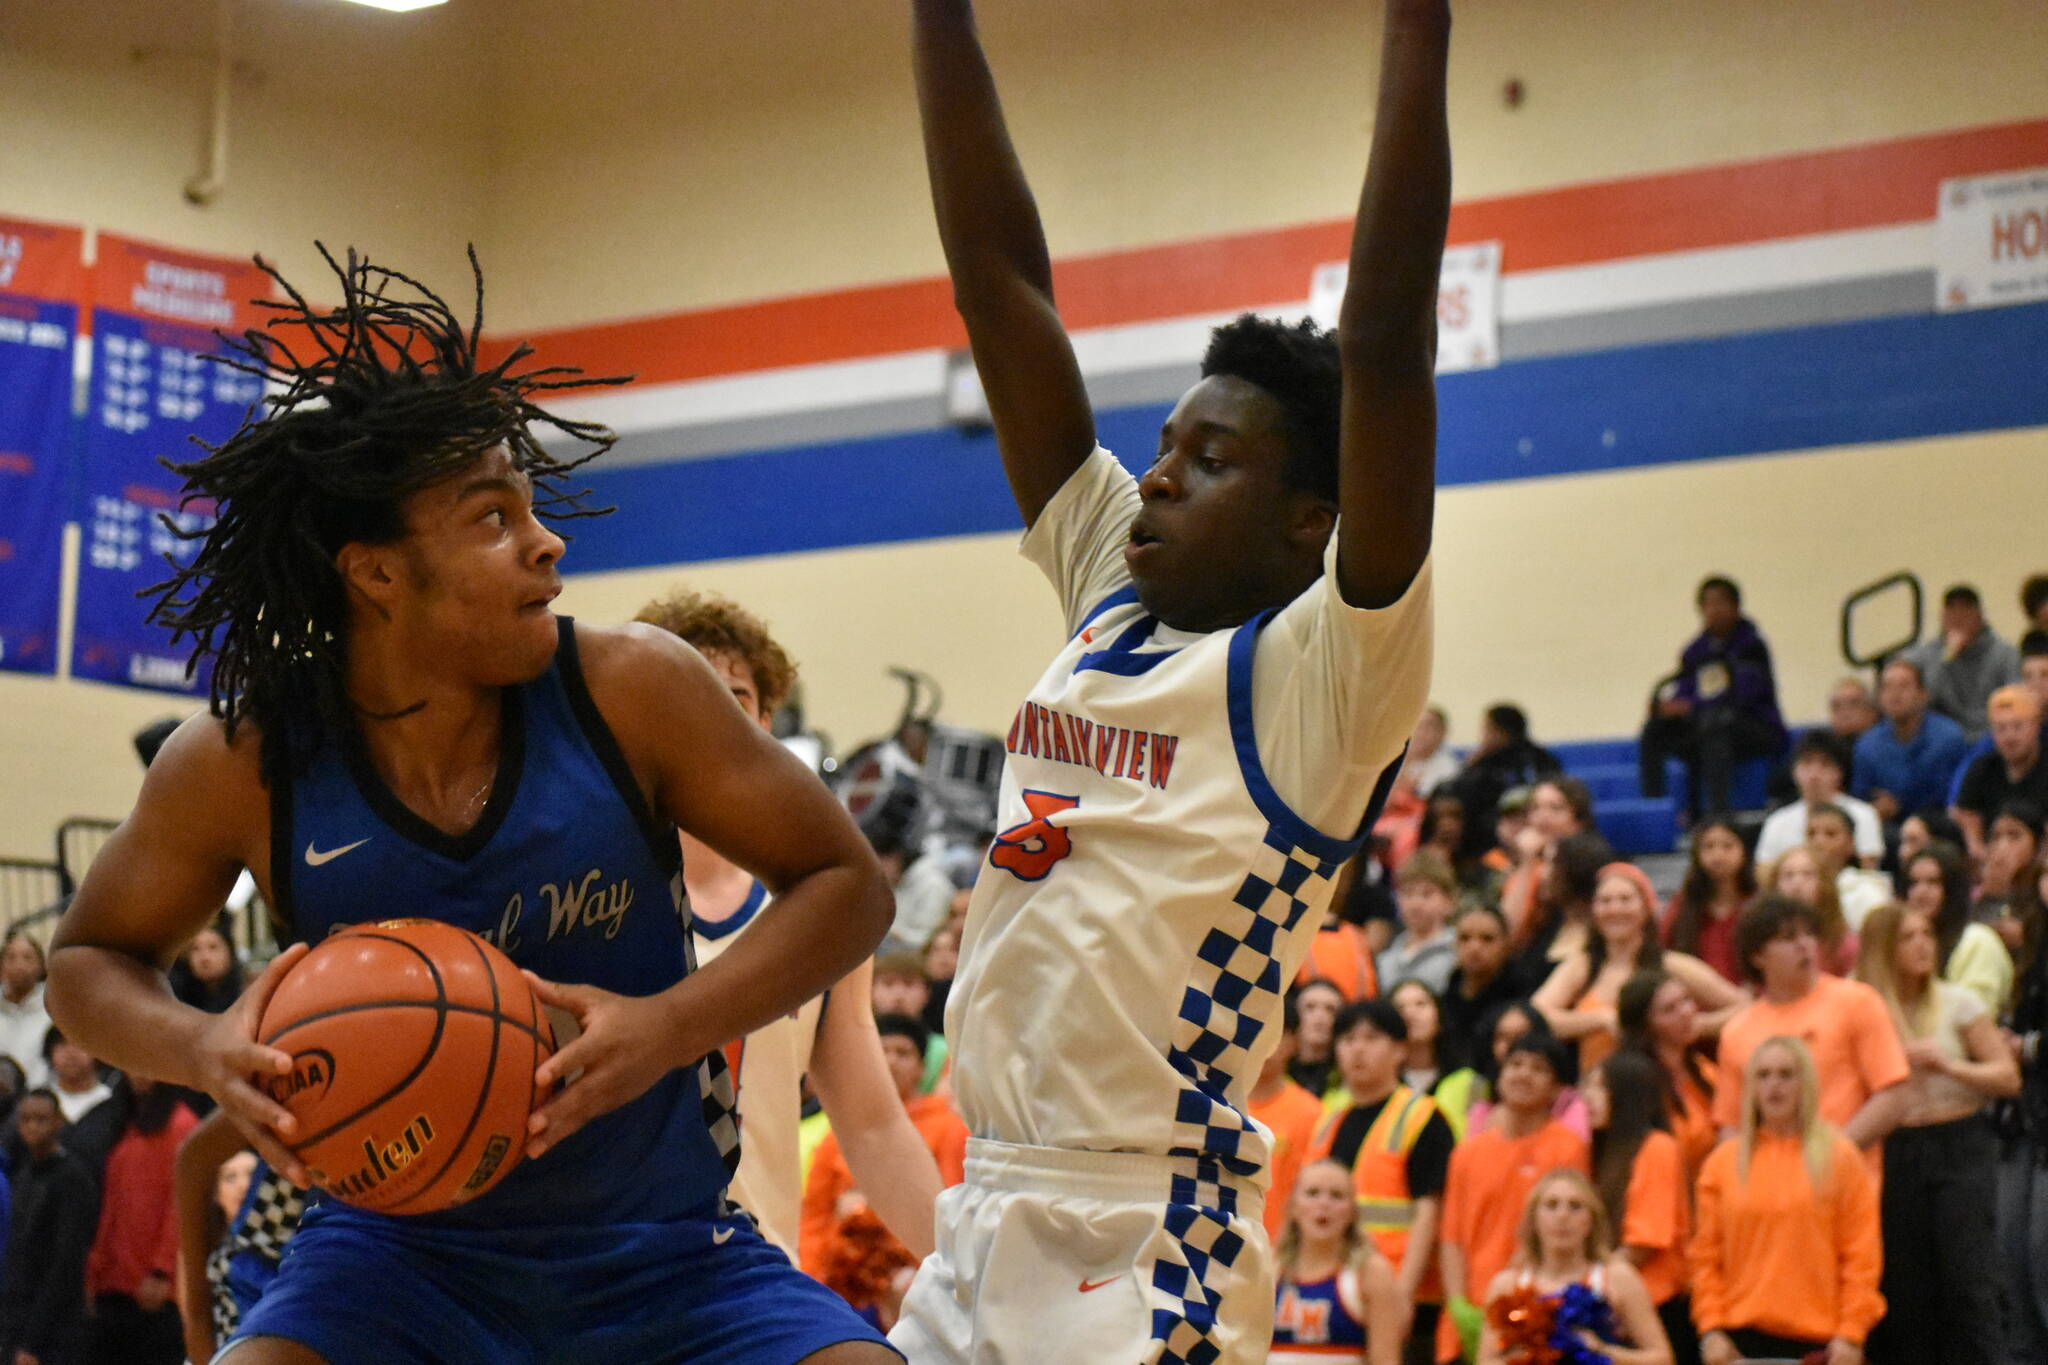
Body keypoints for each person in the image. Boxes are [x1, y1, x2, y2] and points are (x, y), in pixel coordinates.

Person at [41, 250, 900, 1365]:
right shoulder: (245, 760)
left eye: (529, 507)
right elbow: (86, 963)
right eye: (493, 518)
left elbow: (848, 888)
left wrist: (668, 1028)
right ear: (377, 574)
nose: (547, 542)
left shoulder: (632, 688)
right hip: (391, 1265)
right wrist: (202, 1045)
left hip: (665, 1255)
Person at [894, 1, 1446, 1359]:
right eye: (1163, 447)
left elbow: (1383, 341)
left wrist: (1418, 24)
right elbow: (997, 284)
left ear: (1310, 521)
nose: (1155, 481)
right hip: (983, 1203)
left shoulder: (1326, 678)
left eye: (1211, 462)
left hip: (1146, 1234)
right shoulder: (1107, 584)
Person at [635, 586, 947, 1261]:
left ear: (765, 722)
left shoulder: (822, 905)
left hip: (754, 1277)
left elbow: (872, 1125)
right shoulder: (584, 889)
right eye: (683, 689)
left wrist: (966, 1275)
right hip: (611, 1281)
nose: (708, 714)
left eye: (734, 696)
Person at [1854, 903, 2016, 1365]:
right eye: (1907, 937)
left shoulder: (1958, 1002)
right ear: (1884, 948)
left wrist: (1949, 1065)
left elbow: (2008, 1077)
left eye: (1926, 934)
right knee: (1905, 1283)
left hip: (1958, 1140)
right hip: (1894, 1145)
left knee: (1968, 1277)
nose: (1922, 945)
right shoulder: (1864, 1008)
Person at [1690, 1037, 1884, 1365]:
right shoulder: (1722, 1164)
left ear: (1805, 1084)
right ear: (1751, 1088)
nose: (1774, 1085)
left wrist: (1852, 1333)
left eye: (1786, 1074)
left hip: (1821, 1346)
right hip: (1739, 1345)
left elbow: (1861, 1256)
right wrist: (1711, 1330)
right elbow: (1704, 1258)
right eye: (1763, 1075)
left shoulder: (1841, 1158)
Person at [1713, 899, 1909, 1174]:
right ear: (1757, 956)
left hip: (1844, 1179)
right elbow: (1731, 1124)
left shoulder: (1857, 1002)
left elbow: (1893, 1093)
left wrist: (1831, 1157)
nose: (1804, 945)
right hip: (1770, 1183)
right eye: (1788, 938)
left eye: (1808, 934)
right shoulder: (1737, 1031)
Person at [800, 1015, 968, 1331]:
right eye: (882, 1051)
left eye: (903, 1053)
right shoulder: (836, 1135)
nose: (891, 1061)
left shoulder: (949, 1129)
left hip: (913, 1279)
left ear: (922, 1069)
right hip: (842, 1281)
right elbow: (815, 1216)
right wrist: (811, 1288)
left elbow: (952, 1206)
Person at [1439, 1034, 1592, 1363]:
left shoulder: (1568, 1148)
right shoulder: (1467, 1153)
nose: (1523, 1074)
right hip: (1469, 1308)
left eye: (1538, 1068)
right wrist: (1456, 1304)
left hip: (1536, 1312)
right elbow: (1451, 1237)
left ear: (1556, 1088)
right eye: (1515, 1064)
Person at [1532, 863, 1741, 1076]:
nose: (1615, 909)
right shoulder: (1583, 965)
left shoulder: (1672, 965)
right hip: (1598, 1087)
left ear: (1646, 907)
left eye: (1625, 899)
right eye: (1605, 901)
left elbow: (1744, 1007)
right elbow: (1535, 1017)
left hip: (1666, 1084)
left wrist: (1697, 1026)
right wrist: (1601, 1019)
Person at [1477, 1170, 1672, 1365]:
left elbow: (1662, 1359)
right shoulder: (1507, 1286)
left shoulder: (1617, 1278)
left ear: (1591, 1220)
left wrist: (1602, 1351)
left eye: (1575, 1206)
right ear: (1534, 1219)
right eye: (1551, 1205)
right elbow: (1485, 1360)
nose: (1562, 1216)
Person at [1638, 575, 1788, 820]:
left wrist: (1692, 707)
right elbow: (1685, 688)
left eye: (1721, 602)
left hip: (1754, 727)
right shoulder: (1695, 651)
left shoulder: (1752, 646)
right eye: (1708, 604)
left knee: (1715, 722)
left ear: (1736, 607)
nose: (1714, 609)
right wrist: (1669, 708)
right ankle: (1654, 810)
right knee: (1655, 729)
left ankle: (1717, 816)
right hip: (1706, 727)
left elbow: (1745, 693)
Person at [1583, 1053, 1693, 1364]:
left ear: (1626, 1095)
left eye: (1600, 1088)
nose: (1588, 1097)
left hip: (1656, 1306)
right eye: (1587, 1086)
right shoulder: (1600, 1152)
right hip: (1614, 1302)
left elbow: (1643, 1243)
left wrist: (1588, 1284)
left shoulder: (1657, 1148)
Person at [81, 1076, 199, 1365]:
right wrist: (93, 1270)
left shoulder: (183, 1125)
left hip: (156, 1289)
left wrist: (162, 1271)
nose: (138, 1073)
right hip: (111, 1282)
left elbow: (182, 1206)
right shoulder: (121, 1121)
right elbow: (110, 1204)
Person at [1271, 1159, 1404, 1365]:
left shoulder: (1370, 1272)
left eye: (1337, 1195)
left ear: (1352, 1212)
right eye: (1312, 1193)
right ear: (1293, 1206)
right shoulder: (1269, 1269)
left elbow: (1386, 1359)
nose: (1324, 1204)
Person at [0, 1088, 98, 1365]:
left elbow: (65, 1264)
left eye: (41, 1119)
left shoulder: (73, 1178)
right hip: (16, 1319)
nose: (32, 1126)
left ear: (58, 1122)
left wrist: (33, 1342)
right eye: (26, 1119)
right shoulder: (23, 1174)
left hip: (54, 1330)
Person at [2000, 855, 2048, 1365]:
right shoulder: (2032, 942)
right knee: (2012, 1253)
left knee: (2042, 1254)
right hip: (2025, 1116)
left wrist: (2027, 1047)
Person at [1615, 972, 1719, 1187]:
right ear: (1646, 1026)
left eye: (1686, 1000)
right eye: (1670, 1009)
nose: (1687, 1012)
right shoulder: (1636, 1086)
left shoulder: (1705, 1070)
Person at [1901, 840, 2016, 1014]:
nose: (1920, 892)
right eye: (1914, 883)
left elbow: (1975, 1017)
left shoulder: (1977, 941)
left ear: (1952, 889)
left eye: (1933, 882)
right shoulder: (1901, 944)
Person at [1250, 995, 1330, 1244]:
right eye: (1255, 1030)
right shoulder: (1219, 1108)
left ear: (1294, 1042)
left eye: (1274, 1034)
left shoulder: (1312, 1113)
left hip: (1285, 1253)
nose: (1264, 1044)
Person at [1853, 657, 1970, 826]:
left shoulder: (1949, 738)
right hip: (1888, 827)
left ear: (1923, 695)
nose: (1895, 694)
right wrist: (1875, 809)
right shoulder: (1867, 745)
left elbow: (1955, 797)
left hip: (1939, 825)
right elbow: (1860, 800)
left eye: (1904, 686)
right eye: (1887, 687)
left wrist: (1902, 804)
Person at [1446, 708, 1562, 866]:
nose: (1483, 737)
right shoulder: (1544, 758)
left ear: (1500, 731)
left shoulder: (1488, 763)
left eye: (1486, 729)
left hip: (1491, 841)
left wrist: (1470, 767)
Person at [1909, 585, 2023, 742]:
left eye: (1965, 610)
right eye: (1952, 611)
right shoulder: (1927, 654)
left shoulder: (2005, 654)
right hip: (1946, 739)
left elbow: (2015, 700)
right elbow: (1923, 701)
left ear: (1980, 615)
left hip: (1991, 736)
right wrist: (1946, 658)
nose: (1958, 618)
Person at [1755, 734, 1883, 868]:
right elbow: (1764, 871)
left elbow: (1868, 868)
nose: (1814, 775)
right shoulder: (1777, 821)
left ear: (1840, 772)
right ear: (1794, 771)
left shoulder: (1863, 814)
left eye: (1825, 765)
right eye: (1806, 763)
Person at [1438, 906, 1538, 1076]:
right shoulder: (1447, 995)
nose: (1474, 947)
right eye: (1464, 938)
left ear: (1507, 944)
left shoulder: (1524, 994)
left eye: (1487, 939)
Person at [1954, 686, 2048, 862]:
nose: (2009, 736)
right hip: (1992, 856)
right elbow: (1964, 812)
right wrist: (1977, 848)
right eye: (2001, 728)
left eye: (2018, 726)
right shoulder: (1983, 767)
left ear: (2036, 726)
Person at [1660, 819, 1754, 984]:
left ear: (1744, 852)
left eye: (1727, 846)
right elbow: (1663, 952)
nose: (1718, 855)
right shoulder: (1683, 903)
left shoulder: (1758, 902)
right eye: (1708, 847)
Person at [1760, 845, 1857, 976]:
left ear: (1824, 884)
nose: (1797, 883)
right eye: (1788, 875)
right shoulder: (1763, 939)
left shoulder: (1843, 941)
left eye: (1808, 874)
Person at [1804, 805, 1893, 933]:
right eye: (1811, 834)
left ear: (1850, 844)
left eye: (1830, 834)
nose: (1818, 841)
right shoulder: (1792, 887)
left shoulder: (1865, 893)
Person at [1380, 852, 1458, 998]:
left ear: (1449, 901)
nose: (1415, 904)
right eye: (1407, 893)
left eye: (1427, 894)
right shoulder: (1385, 960)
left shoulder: (1458, 954)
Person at [0, 929, 51, 1089]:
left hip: (40, 1094)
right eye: (11, 958)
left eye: (27, 958)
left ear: (41, 965)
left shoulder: (52, 1008)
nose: (19, 965)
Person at [1292, 979, 1350, 1099]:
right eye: (1310, 1007)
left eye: (1330, 1009)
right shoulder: (1275, 1071)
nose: (1320, 1016)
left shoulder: (1350, 1077)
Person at [1391, 979, 1449, 1096]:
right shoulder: (1378, 1079)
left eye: (1420, 1004)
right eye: (1400, 1008)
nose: (1410, 1013)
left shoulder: (1462, 1076)